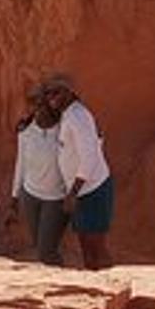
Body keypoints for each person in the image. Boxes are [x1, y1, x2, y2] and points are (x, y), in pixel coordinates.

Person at [40, 72, 114, 270]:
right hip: (84, 190)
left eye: (56, 92)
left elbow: (89, 157)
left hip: (92, 190)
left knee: (95, 248)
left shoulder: (77, 116)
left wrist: (72, 194)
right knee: (87, 248)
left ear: (69, 93)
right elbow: (94, 143)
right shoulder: (70, 115)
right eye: (47, 94)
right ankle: (102, 292)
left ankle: (112, 292)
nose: (51, 98)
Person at [10, 83, 69, 265]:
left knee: (46, 251)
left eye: (42, 105)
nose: (37, 110)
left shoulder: (65, 131)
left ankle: (63, 285)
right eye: (35, 105)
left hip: (56, 199)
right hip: (30, 196)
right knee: (40, 246)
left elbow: (86, 151)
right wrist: (14, 197)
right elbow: (21, 164)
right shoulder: (26, 132)